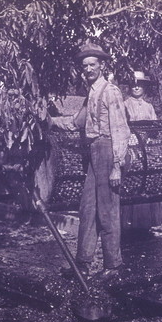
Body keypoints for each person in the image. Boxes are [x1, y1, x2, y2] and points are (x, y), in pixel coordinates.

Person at [47, 42, 131, 281]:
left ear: (102, 66)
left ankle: (113, 266)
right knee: (87, 208)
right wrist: (51, 121)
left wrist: (117, 165)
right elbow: (76, 122)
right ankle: (82, 263)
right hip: (93, 151)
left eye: (92, 64)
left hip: (107, 150)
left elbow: (120, 130)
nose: (88, 69)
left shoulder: (110, 91)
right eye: (84, 65)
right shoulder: (91, 93)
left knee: (107, 210)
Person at [121, 71, 162, 236]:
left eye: (140, 84)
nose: (136, 87)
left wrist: (153, 133)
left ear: (145, 87)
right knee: (132, 180)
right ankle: (129, 222)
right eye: (133, 84)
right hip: (130, 146)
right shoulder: (124, 104)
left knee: (147, 180)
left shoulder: (149, 107)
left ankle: (148, 222)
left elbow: (154, 128)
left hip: (145, 148)